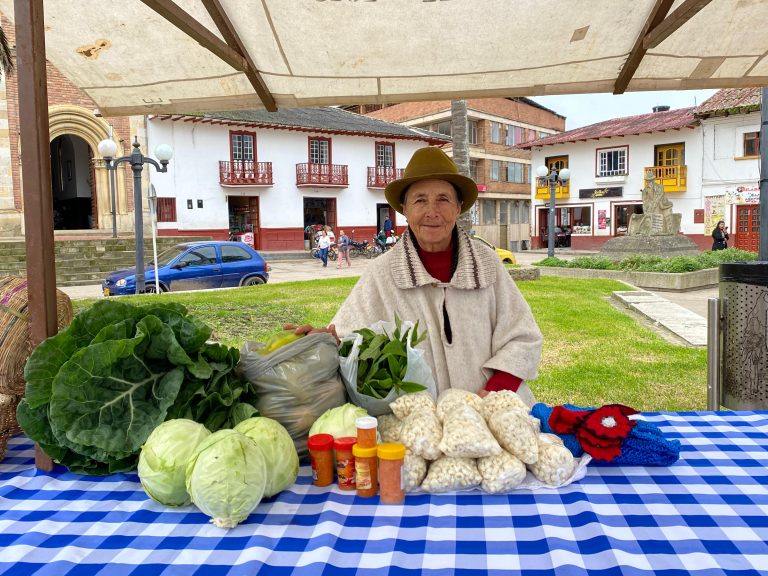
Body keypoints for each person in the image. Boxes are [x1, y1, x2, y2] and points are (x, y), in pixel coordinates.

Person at [289, 147, 543, 405]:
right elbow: (350, 339)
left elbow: (523, 337)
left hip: (496, 409)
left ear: (459, 207)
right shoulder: (382, 273)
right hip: (420, 420)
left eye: (443, 199)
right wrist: (326, 341)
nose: (432, 211)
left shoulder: (486, 263)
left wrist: (495, 392)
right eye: (420, 200)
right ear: (404, 209)